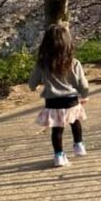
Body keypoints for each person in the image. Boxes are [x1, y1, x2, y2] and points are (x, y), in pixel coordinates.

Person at [28, 24, 89, 167]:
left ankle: (59, 156)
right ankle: (79, 145)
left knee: (57, 129)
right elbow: (83, 84)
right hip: (71, 100)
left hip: (53, 102)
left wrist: (39, 83)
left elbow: (32, 83)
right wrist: (85, 95)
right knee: (75, 121)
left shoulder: (42, 64)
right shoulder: (74, 63)